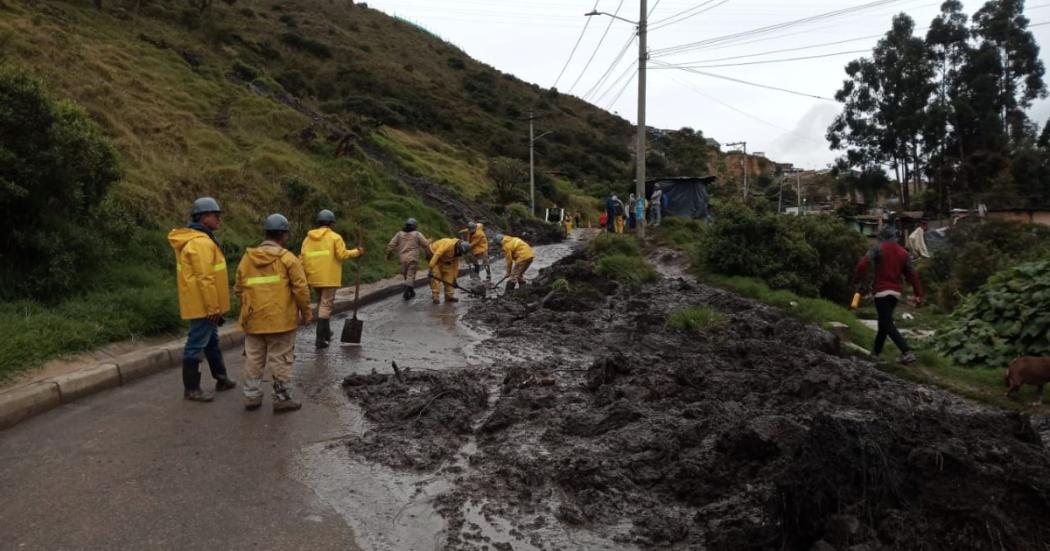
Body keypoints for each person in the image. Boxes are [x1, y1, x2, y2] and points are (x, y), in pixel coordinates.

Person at [235, 214, 313, 413]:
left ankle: (251, 397)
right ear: (283, 235)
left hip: (253, 320)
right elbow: (301, 289)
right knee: (281, 359)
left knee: (253, 358)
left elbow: (238, 289)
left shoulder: (247, 258)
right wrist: (306, 313)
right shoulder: (288, 259)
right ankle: (281, 399)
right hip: (281, 321)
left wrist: (248, 309)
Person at [168, 197, 237, 403]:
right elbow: (205, 278)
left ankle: (221, 378)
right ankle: (192, 388)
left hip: (201, 303)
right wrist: (213, 308)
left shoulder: (199, 239)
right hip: (204, 305)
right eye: (216, 216)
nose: (219, 220)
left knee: (212, 341)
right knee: (196, 344)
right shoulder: (200, 243)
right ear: (204, 217)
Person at [851, 226, 924, 365]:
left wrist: (857, 280)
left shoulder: (878, 248)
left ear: (882, 237)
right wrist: (918, 294)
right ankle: (875, 354)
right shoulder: (904, 253)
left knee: (886, 322)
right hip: (895, 293)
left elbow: (862, 263)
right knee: (883, 323)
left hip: (881, 292)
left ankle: (906, 352)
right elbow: (912, 275)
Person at [300, 209, 364, 349]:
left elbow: (302, 258)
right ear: (331, 223)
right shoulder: (335, 237)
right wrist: (357, 252)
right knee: (326, 305)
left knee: (321, 303)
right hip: (329, 278)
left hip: (313, 277)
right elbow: (341, 255)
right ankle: (320, 339)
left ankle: (327, 333)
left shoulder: (307, 239)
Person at [385, 218, 429, 300]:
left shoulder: (399, 234)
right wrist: (428, 251)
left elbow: (391, 244)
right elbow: (425, 244)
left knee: (406, 275)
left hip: (403, 258)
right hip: (413, 258)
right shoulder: (417, 234)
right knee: (411, 275)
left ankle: (411, 290)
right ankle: (407, 290)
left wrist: (388, 252)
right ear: (415, 226)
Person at [428, 237, 471, 304]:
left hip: (445, 260)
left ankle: (449, 297)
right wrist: (431, 267)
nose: (459, 253)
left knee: (449, 278)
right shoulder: (448, 243)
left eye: (461, 252)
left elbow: (455, 266)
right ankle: (435, 297)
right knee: (436, 276)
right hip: (434, 256)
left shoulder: (458, 252)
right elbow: (438, 254)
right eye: (459, 251)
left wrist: (454, 279)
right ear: (458, 246)